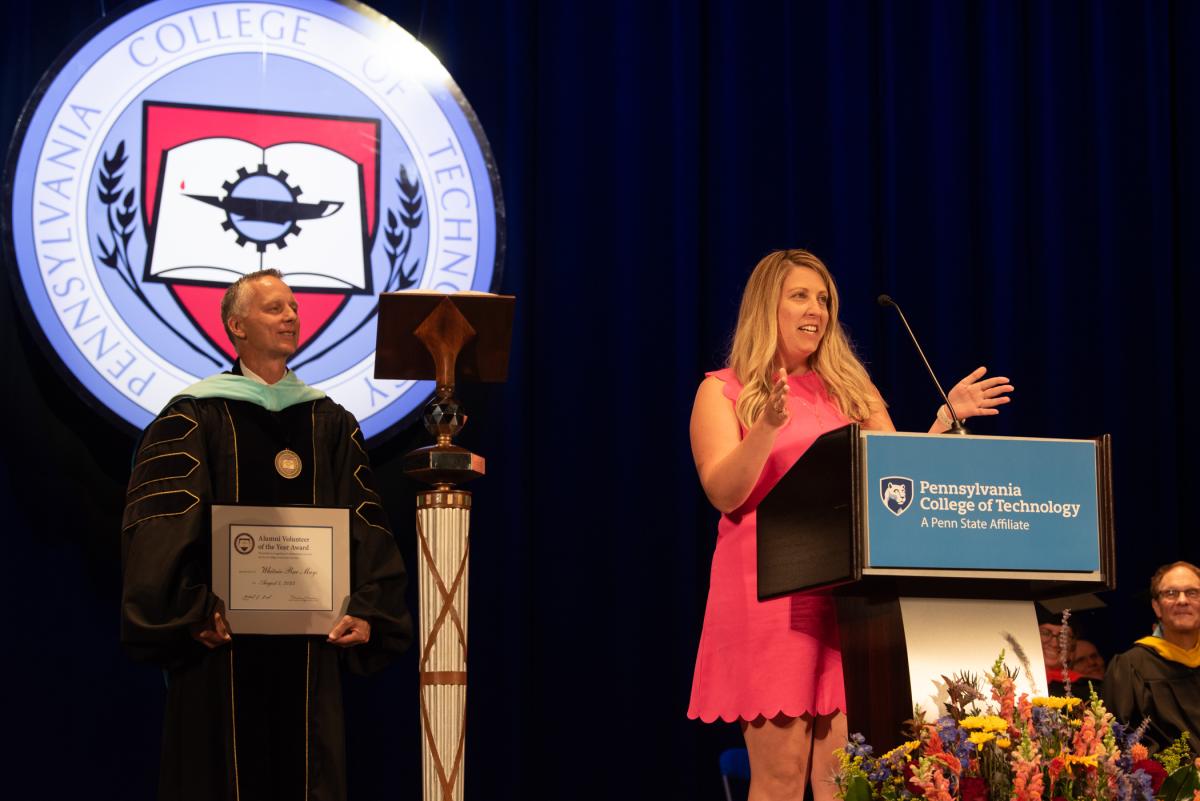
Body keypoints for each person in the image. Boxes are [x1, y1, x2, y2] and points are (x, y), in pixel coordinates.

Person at [687, 250, 1013, 801]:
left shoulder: (850, 389)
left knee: (845, 780)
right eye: (799, 296)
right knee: (782, 777)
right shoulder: (723, 390)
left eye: (823, 299)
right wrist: (765, 426)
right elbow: (725, 493)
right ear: (768, 304)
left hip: (848, 598)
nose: (815, 309)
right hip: (767, 599)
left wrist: (943, 421)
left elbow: (897, 484)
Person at [121, 269, 413, 801]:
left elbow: (366, 523)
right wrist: (188, 612)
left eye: (293, 307)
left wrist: (370, 610)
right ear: (236, 325)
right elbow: (161, 527)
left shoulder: (330, 422)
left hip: (309, 652)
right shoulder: (194, 415)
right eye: (274, 308)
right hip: (220, 648)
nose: (291, 317)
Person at [1103, 561, 1200, 757]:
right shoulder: (1130, 667)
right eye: (1171, 593)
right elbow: (1119, 741)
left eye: (1193, 592)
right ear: (1156, 606)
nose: (1182, 600)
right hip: (1164, 784)